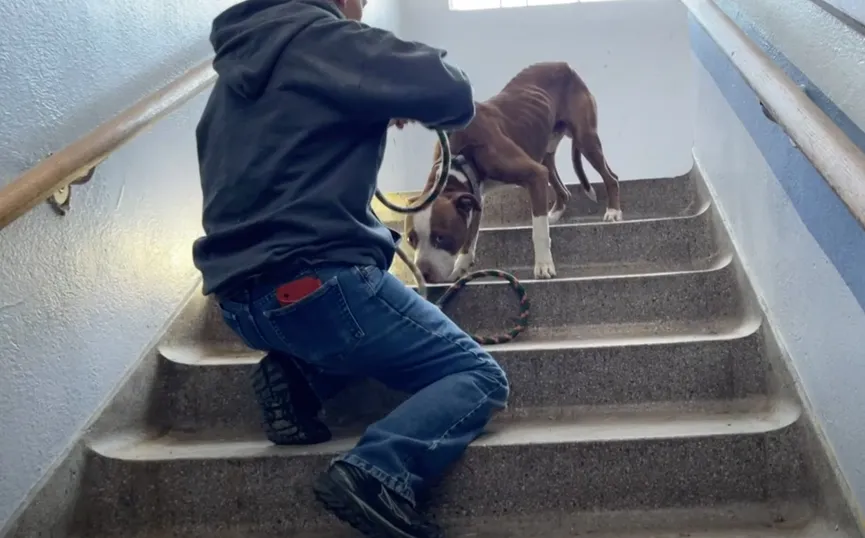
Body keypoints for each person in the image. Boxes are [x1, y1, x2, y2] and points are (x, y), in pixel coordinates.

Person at [192, 1, 511, 537]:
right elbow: (452, 92)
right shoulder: (325, 38)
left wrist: (372, 98)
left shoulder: (232, 79)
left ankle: (296, 382)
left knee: (352, 336)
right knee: (478, 376)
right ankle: (377, 472)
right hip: (322, 284)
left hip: (240, 303)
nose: (361, 11)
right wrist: (388, 84)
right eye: (360, 2)